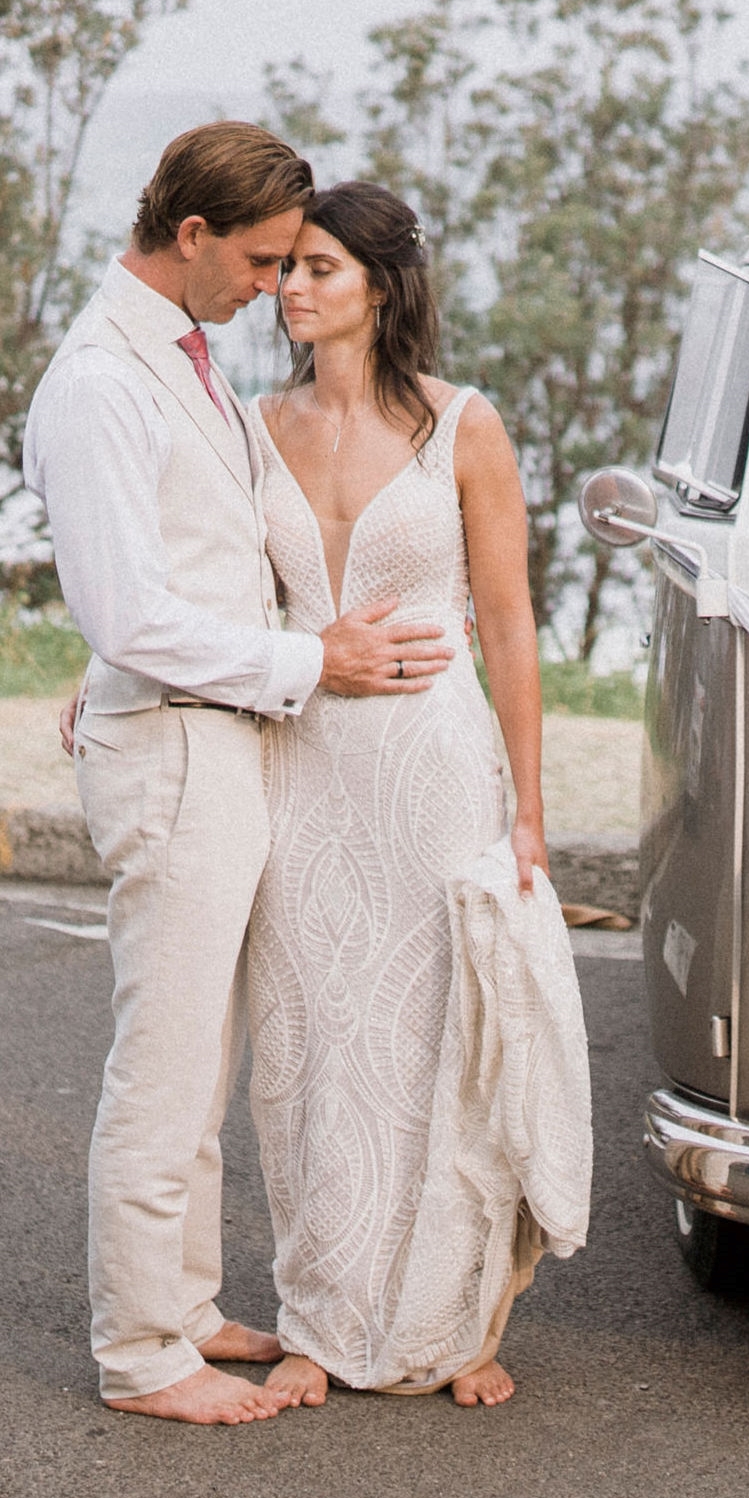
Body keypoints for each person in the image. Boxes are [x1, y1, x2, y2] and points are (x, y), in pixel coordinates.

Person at [25, 124, 457, 1426]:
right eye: (263, 261)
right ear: (193, 234)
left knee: (204, 1050)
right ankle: (139, 1351)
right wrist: (311, 658)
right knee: (163, 1060)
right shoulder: (100, 382)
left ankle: (189, 1301)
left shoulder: (184, 355)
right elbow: (127, 612)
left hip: (210, 729)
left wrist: (127, 658)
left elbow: (179, 563)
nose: (274, 287)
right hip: (174, 744)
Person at [246, 180, 590, 1411]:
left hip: (435, 770)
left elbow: (508, 622)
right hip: (301, 766)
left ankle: (458, 1321)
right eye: (285, 267)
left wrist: (528, 812)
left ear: (380, 288)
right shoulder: (253, 427)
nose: (290, 288)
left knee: (445, 1039)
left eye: (318, 268)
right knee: (305, 1045)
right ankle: (317, 1318)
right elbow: (208, 596)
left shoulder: (463, 427)